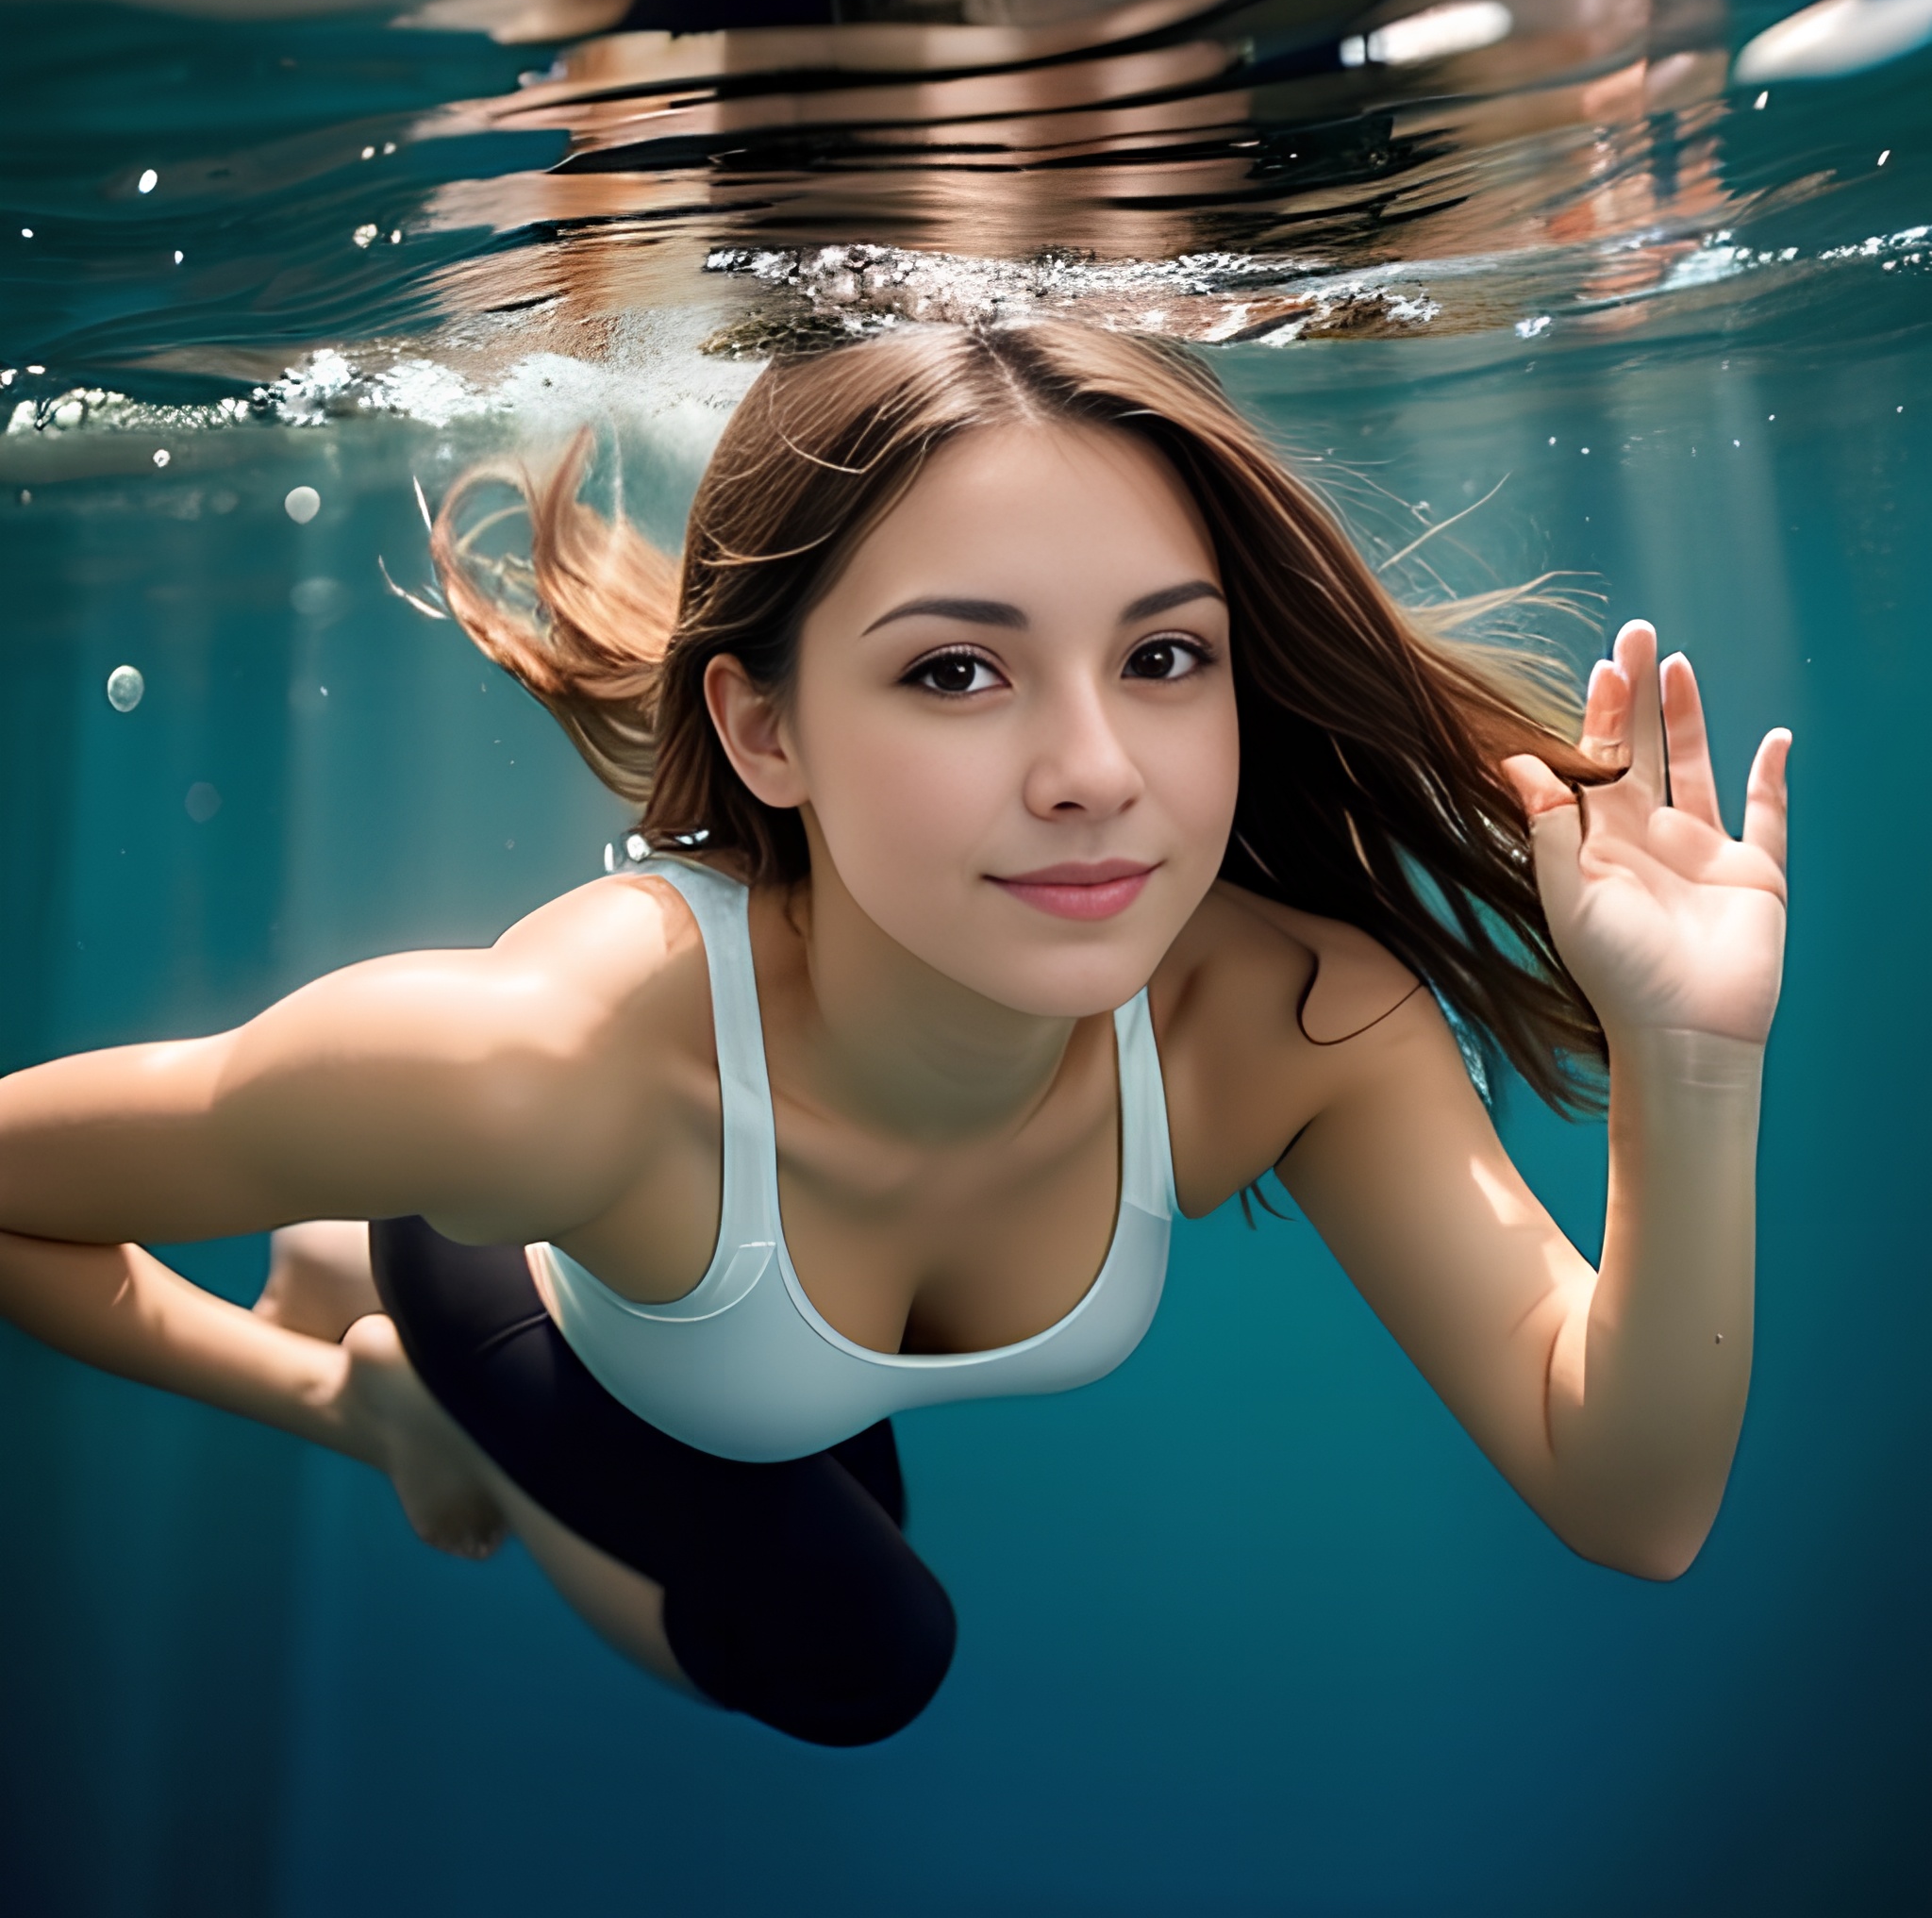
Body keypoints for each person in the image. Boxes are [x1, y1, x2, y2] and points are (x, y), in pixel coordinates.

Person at [0, 324, 1790, 1747]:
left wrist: (1694, 1056)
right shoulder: (520, 1071)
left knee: (819, 1468)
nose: (1095, 773)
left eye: (1165, 657)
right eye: (956, 670)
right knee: (864, 1648)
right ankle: (400, 1392)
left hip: (771, 1362)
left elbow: (1630, 1502)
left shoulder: (1292, 1024)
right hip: (520, 1263)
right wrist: (320, 1410)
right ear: (762, 731)